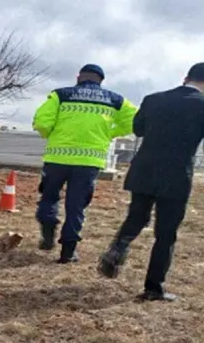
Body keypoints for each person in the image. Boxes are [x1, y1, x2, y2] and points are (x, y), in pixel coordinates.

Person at [98, 62, 204, 301]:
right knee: (166, 233)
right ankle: (153, 288)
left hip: (143, 169)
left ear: (186, 77)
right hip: (175, 176)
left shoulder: (153, 99)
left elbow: (139, 129)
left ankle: (118, 247)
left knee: (137, 216)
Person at [32, 64, 138, 263]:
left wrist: (52, 135)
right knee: (76, 206)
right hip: (89, 162)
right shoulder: (115, 100)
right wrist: (108, 133)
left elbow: (42, 122)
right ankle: (68, 253)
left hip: (57, 158)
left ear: (78, 77)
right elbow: (136, 121)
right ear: (101, 81)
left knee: (49, 197)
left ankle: (48, 233)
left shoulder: (60, 95)